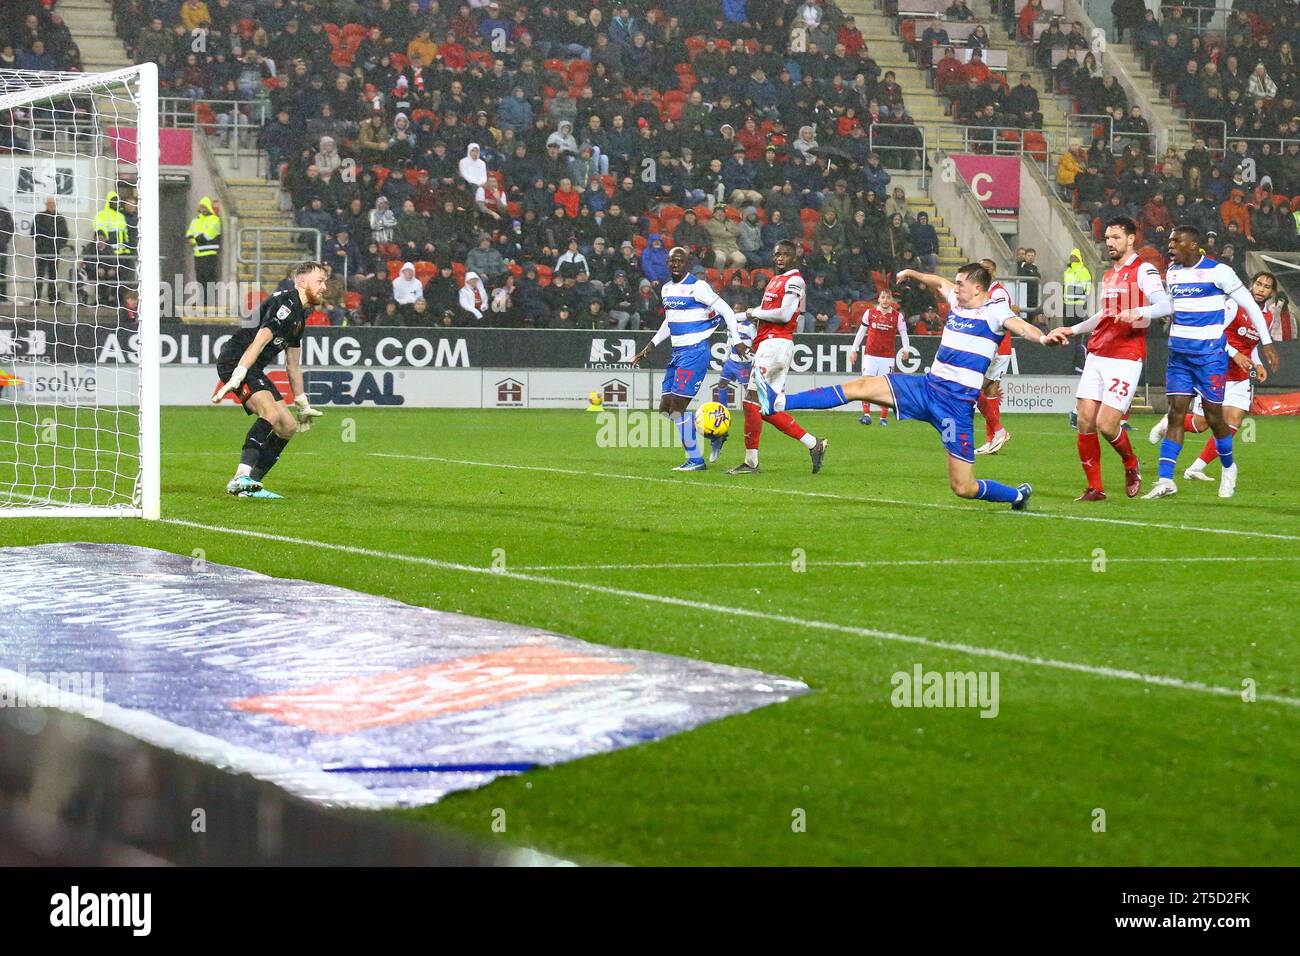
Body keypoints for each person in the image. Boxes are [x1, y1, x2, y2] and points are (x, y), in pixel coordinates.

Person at [767, 265, 1049, 507]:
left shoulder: (995, 312)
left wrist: (1045, 339)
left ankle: (1016, 496)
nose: (955, 288)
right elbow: (938, 281)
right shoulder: (958, 300)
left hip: (956, 406)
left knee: (964, 487)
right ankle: (780, 402)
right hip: (927, 387)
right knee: (861, 386)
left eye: (961, 284)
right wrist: (912, 273)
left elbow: (1024, 328)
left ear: (977, 288)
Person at [1117, 226, 1279, 499]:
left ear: (1193, 245)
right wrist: (1138, 311)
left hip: (1209, 359)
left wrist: (1266, 343)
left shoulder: (1219, 272)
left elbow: (1250, 306)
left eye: (1175, 242)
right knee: (1176, 413)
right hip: (1179, 356)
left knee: (1215, 419)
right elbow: (1171, 304)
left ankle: (1229, 467)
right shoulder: (1175, 272)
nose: (1170, 246)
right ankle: (1166, 480)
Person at [1045, 218, 1167, 500]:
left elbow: (1165, 303)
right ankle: (1095, 488)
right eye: (1107, 238)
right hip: (1098, 353)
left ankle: (1130, 462)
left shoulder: (1143, 269)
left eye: (1115, 237)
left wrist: (1141, 312)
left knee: (1107, 424)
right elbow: (1105, 315)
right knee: (1085, 420)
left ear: (1131, 239)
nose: (1109, 243)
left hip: (1125, 356)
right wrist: (1072, 329)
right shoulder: (1110, 274)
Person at [211, 261, 326, 499]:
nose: (324, 287)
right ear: (302, 282)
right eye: (320, 281)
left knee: (287, 427)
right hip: (237, 362)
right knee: (270, 413)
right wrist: (239, 374)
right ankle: (239, 477)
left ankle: (251, 485)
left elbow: (293, 365)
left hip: (252, 367)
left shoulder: (300, 317)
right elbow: (259, 342)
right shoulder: (286, 303)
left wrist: (303, 405)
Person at [1149, 271, 1278, 484]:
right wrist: (1234, 354)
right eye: (1258, 284)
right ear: (1251, 285)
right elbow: (1213, 332)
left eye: (1266, 286)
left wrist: (1258, 363)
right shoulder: (1234, 305)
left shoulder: (1267, 317)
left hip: (1239, 377)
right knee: (1201, 425)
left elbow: (1252, 345)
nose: (1261, 289)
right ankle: (1167, 422)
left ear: (1271, 292)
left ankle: (1196, 467)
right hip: (1214, 370)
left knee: (1234, 420)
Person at [630, 246, 744, 471]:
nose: (675, 264)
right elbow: (670, 321)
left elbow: (727, 310)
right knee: (665, 408)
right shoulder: (666, 289)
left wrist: (737, 339)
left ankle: (695, 460)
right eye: (672, 261)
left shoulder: (698, 287)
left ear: (687, 264)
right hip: (678, 354)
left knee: (677, 408)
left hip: (695, 352)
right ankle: (716, 433)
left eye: (680, 261)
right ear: (668, 263)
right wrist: (650, 346)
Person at [729, 239, 828, 475]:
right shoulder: (775, 281)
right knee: (765, 407)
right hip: (767, 344)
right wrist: (740, 317)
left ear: (794, 257)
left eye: (785, 254)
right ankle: (814, 444)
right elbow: (766, 315)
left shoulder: (795, 280)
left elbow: (783, 314)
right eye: (777, 254)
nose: (780, 258)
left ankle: (751, 462)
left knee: (751, 400)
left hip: (777, 344)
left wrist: (752, 312)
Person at [848, 289, 909, 425]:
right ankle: (866, 415)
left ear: (891, 300)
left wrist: (906, 349)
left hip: (887, 356)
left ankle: (883, 418)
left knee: (885, 387)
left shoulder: (897, 316)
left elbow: (903, 333)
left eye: (888, 297)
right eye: (883, 297)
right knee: (866, 383)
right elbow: (861, 332)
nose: (885, 300)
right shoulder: (870, 313)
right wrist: (854, 350)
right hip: (870, 354)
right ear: (879, 299)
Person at [185, 196, 222, 306]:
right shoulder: (195, 220)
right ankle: (203, 301)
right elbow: (189, 234)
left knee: (210, 278)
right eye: (201, 206)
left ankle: (209, 301)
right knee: (200, 279)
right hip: (198, 254)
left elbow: (207, 235)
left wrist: (195, 240)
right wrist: (192, 240)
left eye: (205, 206)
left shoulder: (215, 219)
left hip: (210, 254)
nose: (203, 208)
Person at [31, 197, 69, 304]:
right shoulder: (39, 217)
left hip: (54, 251)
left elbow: (65, 235)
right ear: (46, 204)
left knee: (53, 276)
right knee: (39, 275)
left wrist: (57, 246)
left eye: (53, 203)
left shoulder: (60, 218)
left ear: (56, 204)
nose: (51, 205)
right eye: (49, 203)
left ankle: (52, 299)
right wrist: (42, 243)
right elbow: (33, 233)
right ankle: (37, 298)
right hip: (42, 250)